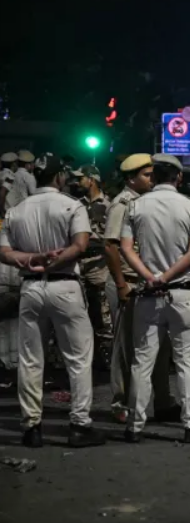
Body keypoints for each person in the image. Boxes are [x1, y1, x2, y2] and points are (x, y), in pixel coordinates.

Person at [0, 153, 107, 448]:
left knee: (31, 360)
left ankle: (31, 427)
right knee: (78, 359)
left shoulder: (16, 210)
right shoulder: (72, 206)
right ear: (60, 177)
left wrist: (31, 259)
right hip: (65, 287)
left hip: (30, 288)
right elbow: (81, 245)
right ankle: (79, 425)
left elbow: (4, 252)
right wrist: (53, 260)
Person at [120, 153, 190, 444]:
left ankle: (134, 425)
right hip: (182, 294)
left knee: (142, 362)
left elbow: (126, 249)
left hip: (148, 295)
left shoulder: (134, 206)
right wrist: (168, 276)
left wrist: (150, 276)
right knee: (186, 362)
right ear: (179, 178)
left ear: (153, 177)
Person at [104, 154, 178, 424]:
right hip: (128, 283)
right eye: (146, 175)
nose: (151, 179)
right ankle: (120, 402)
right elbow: (110, 246)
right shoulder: (122, 204)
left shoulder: (147, 202)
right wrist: (122, 285)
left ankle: (162, 400)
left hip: (148, 282)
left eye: (152, 174)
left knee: (157, 346)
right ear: (130, 178)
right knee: (126, 348)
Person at [71, 165, 113, 370]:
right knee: (80, 313)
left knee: (102, 312)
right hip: (79, 265)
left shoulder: (108, 205)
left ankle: (105, 356)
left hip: (99, 265)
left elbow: (111, 239)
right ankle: (88, 355)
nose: (78, 183)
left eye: (81, 179)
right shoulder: (76, 205)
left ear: (92, 180)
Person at [0, 151, 16, 215]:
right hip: (6, 210)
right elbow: (2, 193)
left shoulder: (1, 173)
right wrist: (2, 211)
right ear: (13, 164)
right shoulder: (10, 176)